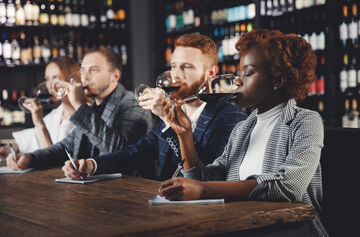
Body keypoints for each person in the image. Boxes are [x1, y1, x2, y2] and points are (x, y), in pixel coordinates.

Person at [158, 30, 328, 236]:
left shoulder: (305, 122)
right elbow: (205, 179)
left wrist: (203, 190)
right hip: (243, 228)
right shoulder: (243, 128)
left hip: (292, 230)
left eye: (247, 73)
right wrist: (184, 135)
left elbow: (289, 186)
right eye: (239, 73)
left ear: (279, 79)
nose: (237, 81)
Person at [62, 33, 247, 180]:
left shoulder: (231, 118)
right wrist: (92, 165)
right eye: (174, 66)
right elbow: (134, 153)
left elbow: (199, 170)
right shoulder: (173, 109)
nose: (176, 75)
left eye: (187, 67)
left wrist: (168, 119)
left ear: (211, 73)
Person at [6, 47, 153, 170]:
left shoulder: (134, 103)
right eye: (82, 70)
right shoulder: (94, 107)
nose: (85, 77)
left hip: (130, 191)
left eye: (93, 70)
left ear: (115, 75)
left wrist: (78, 105)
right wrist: (31, 158)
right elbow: (65, 147)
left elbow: (119, 150)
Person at [0, 57, 88, 158]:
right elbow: (30, 138)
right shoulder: (55, 115)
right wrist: (7, 149)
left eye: (56, 78)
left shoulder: (87, 115)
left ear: (71, 79)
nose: (50, 85)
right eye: (47, 79)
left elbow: (52, 158)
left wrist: (40, 124)